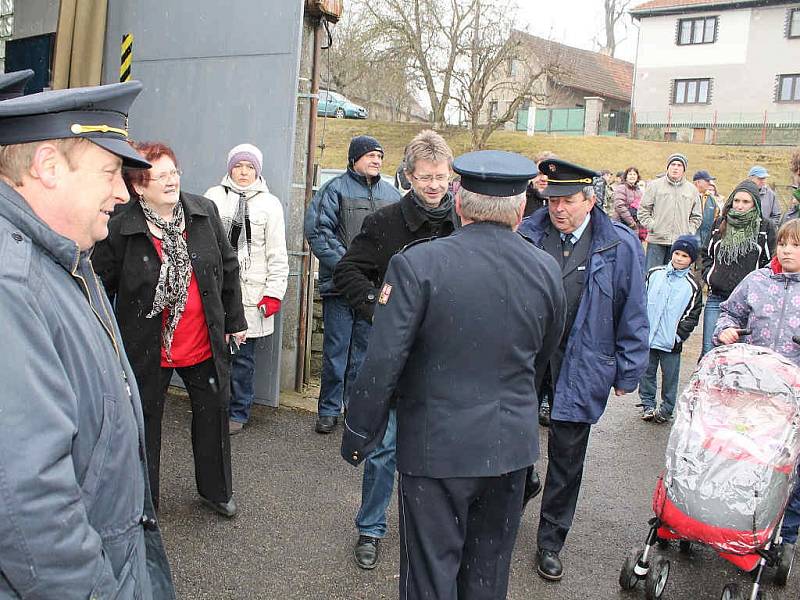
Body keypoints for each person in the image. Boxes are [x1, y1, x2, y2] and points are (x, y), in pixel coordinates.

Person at [341, 150, 566, 600]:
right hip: (508, 447)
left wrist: (358, 433)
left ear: (459, 203)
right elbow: (544, 355)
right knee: (486, 578)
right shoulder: (545, 267)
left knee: (429, 579)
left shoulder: (418, 264)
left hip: (435, 448)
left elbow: (384, 360)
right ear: (521, 209)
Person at [0, 82, 174, 596]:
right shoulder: (13, 284)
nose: (123, 192)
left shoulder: (65, 259)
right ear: (48, 166)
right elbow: (28, 501)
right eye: (110, 171)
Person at [93, 141, 247, 518]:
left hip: (201, 340)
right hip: (148, 346)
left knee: (213, 415)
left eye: (173, 172)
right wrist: (103, 340)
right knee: (143, 424)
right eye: (158, 176)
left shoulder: (203, 212)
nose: (170, 181)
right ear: (138, 186)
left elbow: (227, 268)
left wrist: (235, 321)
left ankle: (216, 490)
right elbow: (98, 287)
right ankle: (145, 501)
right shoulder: (121, 227)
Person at [518, 158, 649, 581]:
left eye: (568, 200)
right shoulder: (528, 234)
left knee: (567, 455)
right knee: (511, 435)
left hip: (583, 359)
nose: (558, 208)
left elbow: (632, 309)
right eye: (553, 198)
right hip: (527, 357)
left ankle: (550, 539)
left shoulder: (620, 245)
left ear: (590, 200)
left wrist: (629, 369)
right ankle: (521, 486)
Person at [333, 129, 459, 570]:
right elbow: (348, 271)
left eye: (441, 177)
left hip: (444, 357)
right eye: (425, 177)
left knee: (436, 449)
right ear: (408, 177)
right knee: (384, 446)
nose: (434, 186)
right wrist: (378, 311)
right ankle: (370, 527)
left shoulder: (462, 224)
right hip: (393, 354)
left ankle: (430, 531)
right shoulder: (384, 222)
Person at [714, 218, 800, 558]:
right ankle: (734, 525)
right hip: (750, 392)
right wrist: (725, 331)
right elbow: (728, 313)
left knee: (790, 471)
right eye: (783, 243)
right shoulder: (757, 280)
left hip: (793, 401)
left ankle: (785, 536)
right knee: (744, 460)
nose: (787, 250)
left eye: (795, 244)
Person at [304, 135, 401, 434]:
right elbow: (318, 232)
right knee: (336, 352)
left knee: (363, 354)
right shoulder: (334, 190)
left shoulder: (393, 195)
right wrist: (350, 268)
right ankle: (328, 410)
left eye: (380, 156)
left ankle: (353, 410)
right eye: (370, 155)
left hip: (375, 291)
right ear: (354, 158)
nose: (376, 161)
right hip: (341, 287)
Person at [205, 143, 289, 434]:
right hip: (217, 289)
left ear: (257, 170)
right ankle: (215, 407)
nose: (243, 172)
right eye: (238, 166)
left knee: (242, 358)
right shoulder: (214, 197)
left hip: (251, 292)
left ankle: (238, 411)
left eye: (249, 167)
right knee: (214, 354)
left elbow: (277, 254)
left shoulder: (270, 204)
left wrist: (274, 293)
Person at [699, 180, 775, 358]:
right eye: (737, 201)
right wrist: (709, 275)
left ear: (754, 204)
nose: (740, 206)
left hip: (748, 303)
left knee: (739, 355)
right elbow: (706, 253)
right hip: (717, 297)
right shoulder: (720, 224)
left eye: (746, 202)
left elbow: (770, 263)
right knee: (710, 350)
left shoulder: (765, 228)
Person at [638, 235, 703, 423]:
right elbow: (641, 299)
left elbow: (692, 313)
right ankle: (648, 404)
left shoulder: (692, 285)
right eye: (676, 253)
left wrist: (678, 336)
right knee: (646, 372)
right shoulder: (654, 274)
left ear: (691, 260)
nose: (679, 258)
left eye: (684, 256)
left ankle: (666, 409)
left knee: (670, 377)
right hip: (648, 336)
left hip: (671, 341)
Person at [638, 153, 702, 270]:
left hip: (679, 243)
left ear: (684, 169)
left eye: (679, 165)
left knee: (674, 276)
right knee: (652, 274)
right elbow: (643, 210)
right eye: (673, 164)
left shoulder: (692, 190)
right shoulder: (654, 186)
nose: (675, 167)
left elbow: (696, 216)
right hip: (657, 240)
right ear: (668, 167)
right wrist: (653, 226)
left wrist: (689, 231)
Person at [611, 166, 645, 241]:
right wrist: (631, 222)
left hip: (635, 224)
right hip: (622, 223)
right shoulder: (621, 188)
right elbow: (619, 206)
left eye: (634, 174)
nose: (632, 176)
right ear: (626, 177)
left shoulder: (638, 191)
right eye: (630, 174)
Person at [693, 170, 719, 249]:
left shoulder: (712, 199)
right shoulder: (688, 195)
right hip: (690, 240)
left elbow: (716, 217)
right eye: (707, 180)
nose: (709, 183)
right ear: (698, 182)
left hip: (705, 243)